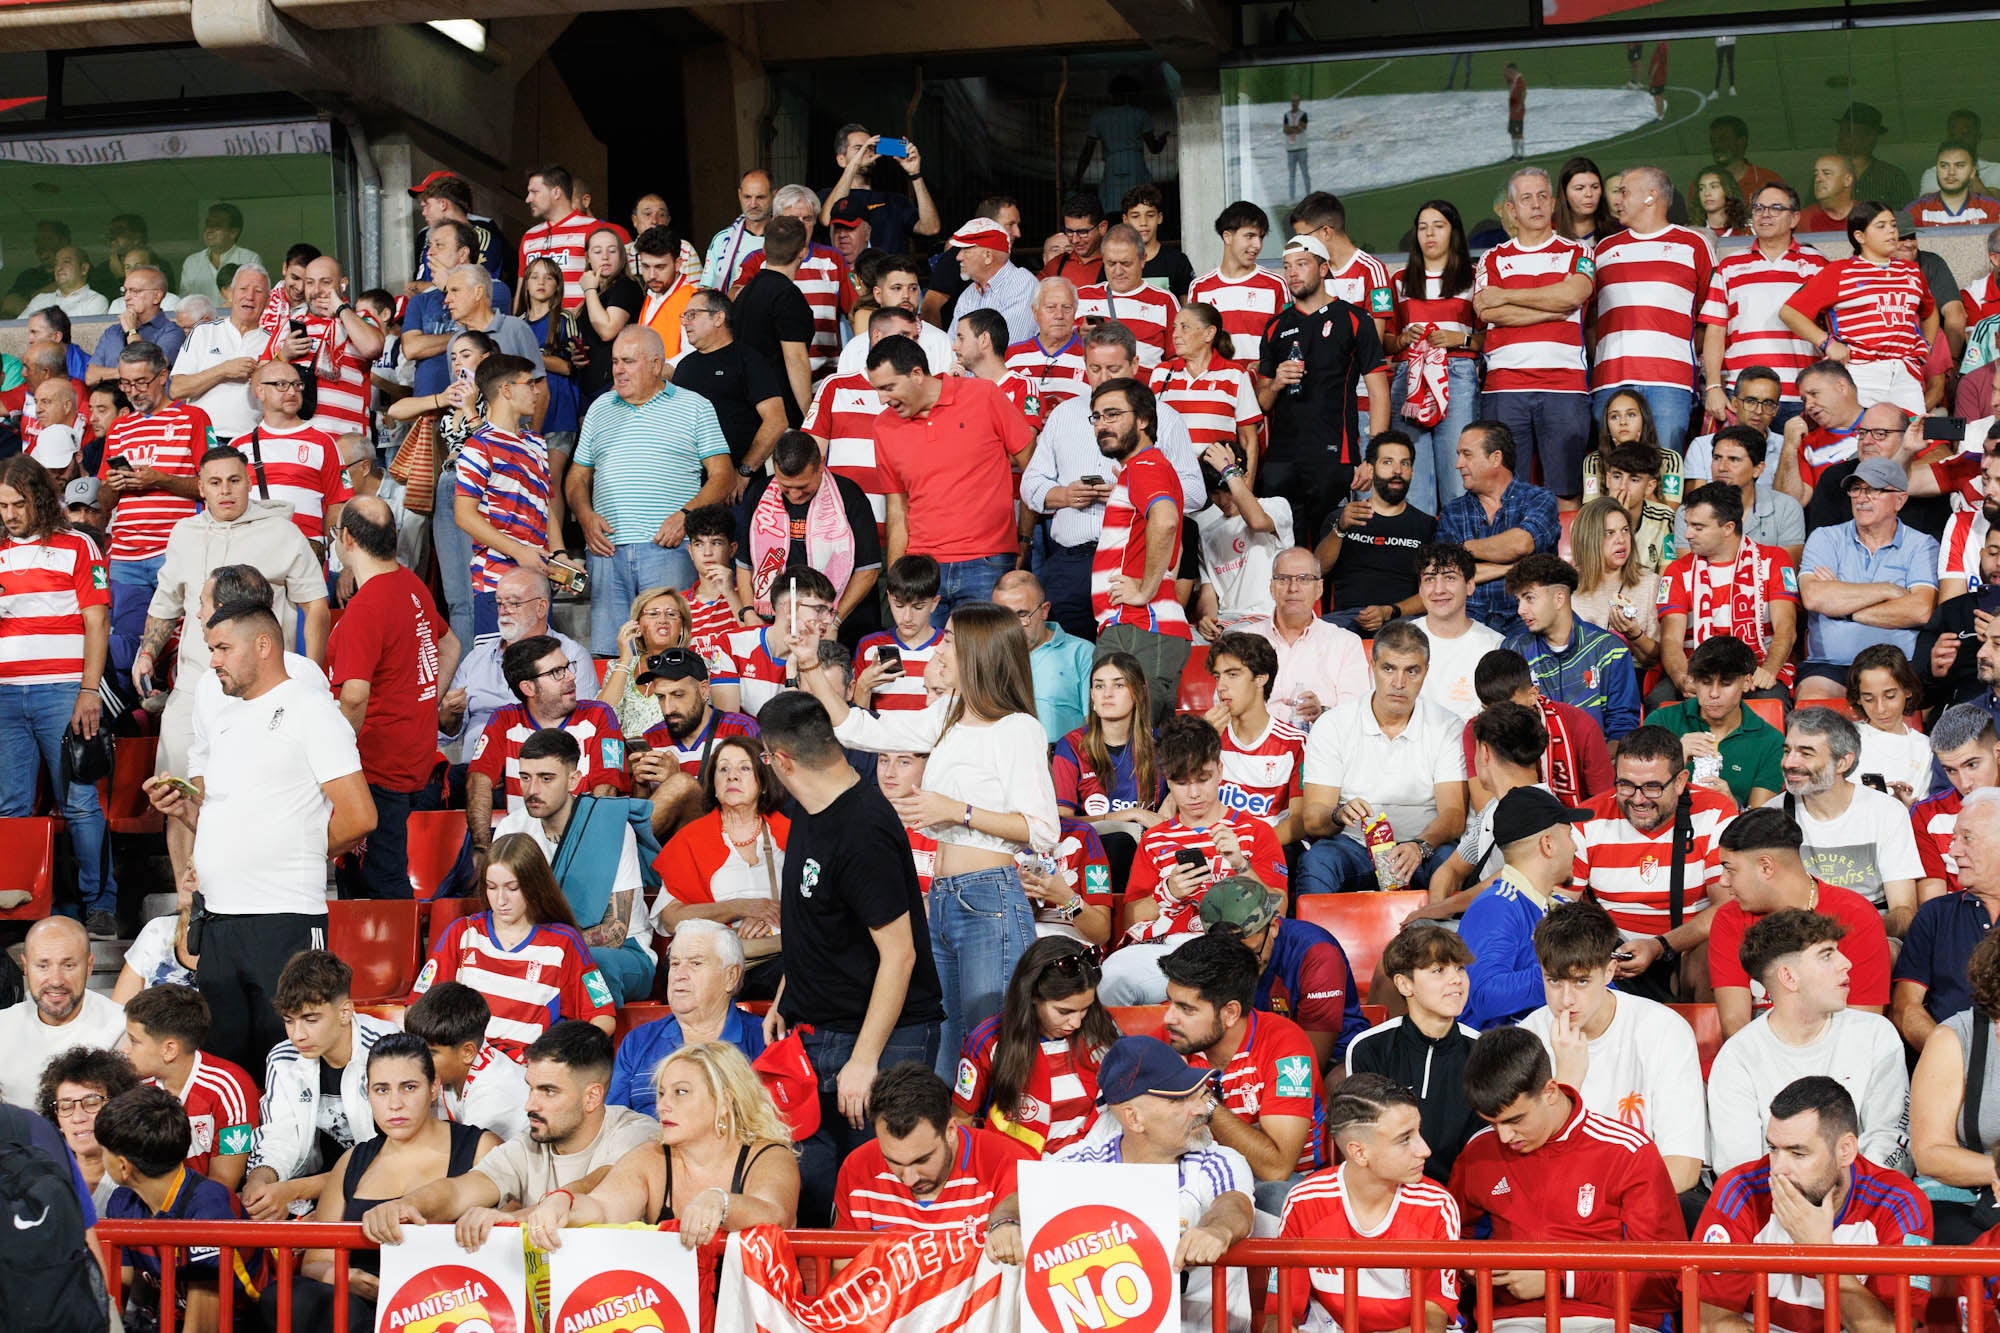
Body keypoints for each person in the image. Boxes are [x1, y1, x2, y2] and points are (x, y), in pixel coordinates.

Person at [801, 603, 1056, 1076]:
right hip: (941, 900)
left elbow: (1041, 829)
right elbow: (859, 730)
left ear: (979, 651)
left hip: (990, 896)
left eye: (952, 640)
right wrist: (812, 667)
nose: (940, 646)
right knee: (946, 1050)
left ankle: (992, 1146)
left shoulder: (1018, 728)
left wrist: (953, 810)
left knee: (992, 1045)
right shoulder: (948, 714)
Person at [143, 601, 372, 1072]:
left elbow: (360, 816)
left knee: (289, 1066)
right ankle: (238, 1151)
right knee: (226, 1070)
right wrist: (186, 810)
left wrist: (295, 853)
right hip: (221, 922)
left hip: (284, 918)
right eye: (211, 649)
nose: (214, 661)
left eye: (224, 647)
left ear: (263, 646)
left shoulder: (311, 710)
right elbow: (230, 820)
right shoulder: (225, 719)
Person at [752, 692, 945, 1225]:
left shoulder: (862, 830)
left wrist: (865, 1060)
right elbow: (817, 919)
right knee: (815, 1196)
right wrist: (786, 995)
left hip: (877, 1040)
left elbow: (900, 956)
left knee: (882, 1202)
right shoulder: (811, 808)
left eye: (766, 760)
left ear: (782, 760)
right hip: (818, 1034)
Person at [1003, 1036, 1254, 1333]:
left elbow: (1233, 1205)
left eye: (1198, 1094)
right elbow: (1017, 1201)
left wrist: (1217, 1230)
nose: (1201, 1109)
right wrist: (1004, 1225)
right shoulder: (1082, 1163)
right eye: (1180, 1099)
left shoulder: (1218, 1160)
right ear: (1133, 1118)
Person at [519, 1041, 798, 1299]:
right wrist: (562, 1204)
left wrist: (720, 1202)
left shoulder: (769, 1155)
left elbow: (774, 1214)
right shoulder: (651, 1157)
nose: (663, 1105)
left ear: (725, 1103)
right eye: (662, 1093)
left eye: (681, 1092)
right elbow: (602, 1207)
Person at [1449, 1025, 1686, 1325]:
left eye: (1515, 1120)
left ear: (1549, 1091)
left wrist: (1561, 1279)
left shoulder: (1628, 1152)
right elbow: (1452, 1240)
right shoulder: (1479, 1151)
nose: (1505, 1136)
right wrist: (1469, 1268)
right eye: (1493, 1123)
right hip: (1511, 1322)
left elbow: (1665, 1281)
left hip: (1613, 1320)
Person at [280, 1035, 498, 1333]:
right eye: (381, 1090)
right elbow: (315, 1262)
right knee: (287, 1296)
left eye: (409, 1087)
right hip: (358, 1311)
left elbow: (507, 1239)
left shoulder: (479, 1148)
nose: (395, 1104)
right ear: (367, 1093)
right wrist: (343, 1276)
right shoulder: (352, 1162)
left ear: (433, 1087)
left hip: (449, 1307)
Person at [1700, 1075, 1932, 1331]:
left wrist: (1819, 1253)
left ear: (1845, 1150)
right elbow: (1709, 1323)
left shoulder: (1899, 1204)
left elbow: (1895, 1330)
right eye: (1773, 1149)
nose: (1777, 1170)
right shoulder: (1740, 1191)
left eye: (1798, 1153)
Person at [1020, 320, 1204, 638]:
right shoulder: (1064, 415)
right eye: (1095, 368)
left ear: (1135, 364)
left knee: (1125, 671)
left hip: (1134, 562)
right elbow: (1030, 485)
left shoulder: (1165, 418)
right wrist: (1064, 495)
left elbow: (1195, 492)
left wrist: (1133, 493)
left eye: (1113, 368)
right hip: (1071, 562)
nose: (1103, 378)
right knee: (1070, 663)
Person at [0, 457, 117, 935]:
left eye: (17, 504)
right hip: (6, 698)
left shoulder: (77, 546)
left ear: (40, 499)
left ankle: (100, 906)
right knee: (10, 807)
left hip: (65, 693)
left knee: (81, 803)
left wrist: (88, 690)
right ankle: (18, 906)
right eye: (2, 505)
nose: (8, 514)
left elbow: (98, 621)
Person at [1517, 900, 1707, 1192]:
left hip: (1637, 1202)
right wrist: (1568, 1081)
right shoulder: (1528, 1036)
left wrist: (1599, 1207)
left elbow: (1682, 1168)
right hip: (1556, 1203)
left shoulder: (1664, 1030)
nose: (1565, 999)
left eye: (1581, 982)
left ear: (1609, 972)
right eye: (1554, 981)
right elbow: (1523, 1160)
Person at [567, 326, 734, 657]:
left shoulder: (694, 406)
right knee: (612, 655)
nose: (618, 369)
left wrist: (686, 517)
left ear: (657, 365)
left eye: (628, 361)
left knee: (671, 652)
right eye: (615, 361)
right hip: (606, 551)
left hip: (668, 547)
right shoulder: (600, 408)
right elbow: (576, 477)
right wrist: (585, 516)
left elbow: (723, 476)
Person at [1100, 716, 1289, 1005]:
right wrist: (1170, 891)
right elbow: (1132, 918)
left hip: (1228, 950)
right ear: (1168, 781)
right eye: (1181, 782)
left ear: (1220, 771)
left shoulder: (1256, 831)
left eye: (1202, 778)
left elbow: (1279, 905)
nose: (1193, 793)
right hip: (1164, 950)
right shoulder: (1154, 839)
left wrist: (1241, 866)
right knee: (1111, 976)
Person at [1707, 910, 1910, 1175]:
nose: (1846, 962)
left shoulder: (1876, 1034)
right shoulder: (1737, 1057)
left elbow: (1892, 1139)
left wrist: (1849, 1197)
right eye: (1827, 955)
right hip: (1774, 1206)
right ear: (1789, 977)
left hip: (1866, 1200)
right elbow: (1740, 1170)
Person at [326, 497, 457, 897]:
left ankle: (397, 961)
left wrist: (336, 757)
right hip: (410, 757)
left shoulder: (365, 606)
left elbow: (353, 696)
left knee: (379, 885)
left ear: (346, 539)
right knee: (378, 877)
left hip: (375, 766)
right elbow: (450, 644)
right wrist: (426, 702)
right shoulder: (411, 584)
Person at [867, 336, 1037, 624]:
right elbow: (897, 508)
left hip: (988, 561)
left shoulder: (984, 395)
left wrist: (1024, 539)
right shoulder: (883, 426)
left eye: (888, 387)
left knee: (982, 665)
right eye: (878, 390)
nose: (882, 399)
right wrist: (898, 580)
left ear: (917, 375)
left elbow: (1032, 469)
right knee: (930, 663)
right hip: (922, 571)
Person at [1280, 1074, 1463, 1333]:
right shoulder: (1304, 1201)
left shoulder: (1437, 1205)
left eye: (1418, 1132)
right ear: (1359, 1152)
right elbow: (1280, 1314)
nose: (1424, 1150)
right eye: (1404, 1139)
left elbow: (1431, 1323)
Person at [1296, 621, 1466, 893]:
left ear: (1426, 673)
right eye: (1389, 669)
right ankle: (1316, 937)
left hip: (1422, 847)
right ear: (1372, 667)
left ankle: (1442, 936)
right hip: (1354, 846)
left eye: (1412, 671)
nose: (1399, 683)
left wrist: (1420, 846)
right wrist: (1338, 814)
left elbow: (1454, 815)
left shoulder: (1448, 726)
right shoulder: (1333, 724)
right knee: (1317, 862)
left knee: (1452, 864)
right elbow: (1313, 820)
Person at [492, 729, 655, 1004]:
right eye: (525, 777)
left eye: (546, 778)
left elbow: (615, 931)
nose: (532, 790)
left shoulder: (610, 827)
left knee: (595, 962)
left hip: (624, 954)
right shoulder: (512, 828)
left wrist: (544, 946)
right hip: (536, 948)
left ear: (573, 780)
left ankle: (594, 1043)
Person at [413, 832, 617, 1049]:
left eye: (512, 888)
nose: (500, 900)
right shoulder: (463, 933)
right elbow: (417, 1010)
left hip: (530, 1074)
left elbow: (603, 1018)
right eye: (491, 887)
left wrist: (559, 1058)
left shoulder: (563, 943)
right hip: (466, 1071)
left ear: (534, 885)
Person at [240, 951, 398, 1221]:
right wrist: (261, 1182)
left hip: (389, 1191)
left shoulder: (388, 1049)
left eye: (310, 1020)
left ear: (345, 1012)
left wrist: (293, 1191)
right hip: (318, 1188)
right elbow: (278, 1138)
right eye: (289, 1021)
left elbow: (394, 1157)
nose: (298, 1035)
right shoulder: (283, 1058)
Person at [1255, 233, 1389, 549]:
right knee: (1281, 553)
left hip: (1333, 456)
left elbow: (1379, 392)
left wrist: (1373, 456)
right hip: (1282, 460)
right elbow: (1262, 402)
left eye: (1301, 264)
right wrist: (1276, 382)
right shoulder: (1275, 327)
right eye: (1287, 266)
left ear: (1323, 269)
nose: (1293, 273)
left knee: (1333, 549)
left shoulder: (1355, 320)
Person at [1711, 808, 1892, 1039]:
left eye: (1730, 869)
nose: (1723, 882)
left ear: (1766, 866)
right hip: (1760, 1061)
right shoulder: (1729, 918)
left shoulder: (1856, 916)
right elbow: (1734, 1025)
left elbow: (1863, 1027)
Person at [1472, 168, 1596, 505]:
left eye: (1543, 196)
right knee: (1506, 492)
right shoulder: (1492, 258)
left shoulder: (1579, 252)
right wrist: (1553, 306)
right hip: (1506, 387)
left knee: (1565, 490)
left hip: (1564, 387)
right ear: (1512, 209)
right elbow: (1488, 312)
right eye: (1526, 198)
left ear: (1553, 203)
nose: (1536, 205)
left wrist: (1508, 295)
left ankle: (1562, 559)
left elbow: (1575, 295)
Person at [97, 1087, 263, 1330]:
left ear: (123, 1167)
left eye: (104, 1151)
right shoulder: (122, 1202)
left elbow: (203, 1327)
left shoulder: (209, 1208)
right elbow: (116, 1294)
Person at [99, 339, 211, 673]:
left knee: (187, 643)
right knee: (128, 647)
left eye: (140, 382)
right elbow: (104, 502)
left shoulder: (193, 418)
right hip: (126, 556)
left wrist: (159, 480)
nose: (132, 391)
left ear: (163, 376)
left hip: (175, 549)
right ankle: (137, 718)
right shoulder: (119, 427)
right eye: (126, 383)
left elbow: (210, 484)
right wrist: (111, 486)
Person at [1086, 376, 1193, 720]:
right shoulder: (1140, 468)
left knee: (1133, 745)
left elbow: (1166, 520)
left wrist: (1144, 590)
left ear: (1144, 419)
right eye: (1097, 417)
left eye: (1113, 414)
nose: (1103, 425)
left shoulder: (1145, 466)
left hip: (1140, 626)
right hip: (1136, 627)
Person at [1589, 167, 1714, 456]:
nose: (1616, 200)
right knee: (1614, 469)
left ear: (1650, 196)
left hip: (1670, 381)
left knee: (1666, 465)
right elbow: (1590, 319)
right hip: (1611, 380)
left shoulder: (1694, 245)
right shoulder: (1603, 250)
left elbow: (1709, 314)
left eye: (1624, 192)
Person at [951, 938, 1115, 1157]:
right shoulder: (988, 1041)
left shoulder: (1099, 1025)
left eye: (1085, 1008)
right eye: (1064, 1012)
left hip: (1100, 1152)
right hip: (1020, 1163)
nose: (1076, 1023)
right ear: (1033, 997)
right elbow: (963, 1119)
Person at [650, 736, 788, 994]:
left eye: (744, 768)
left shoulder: (792, 835)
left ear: (764, 782)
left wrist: (773, 920)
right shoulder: (690, 840)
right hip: (713, 959)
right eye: (723, 769)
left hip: (777, 956)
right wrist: (736, 908)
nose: (732, 776)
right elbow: (670, 918)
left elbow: (820, 905)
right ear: (713, 784)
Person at [1770, 706, 1924, 935]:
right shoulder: (1772, 816)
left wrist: (1852, 934)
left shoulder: (1885, 811)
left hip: (1870, 932)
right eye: (1787, 751)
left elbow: (1903, 912)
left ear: (1843, 762)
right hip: (1798, 935)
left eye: (1806, 753)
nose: (1789, 762)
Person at [1345, 924, 1481, 1181]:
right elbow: (1369, 1140)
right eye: (1439, 970)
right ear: (1405, 984)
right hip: (1395, 1191)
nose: (1456, 979)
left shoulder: (1483, 1050)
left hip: (1467, 1197)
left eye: (1460, 968)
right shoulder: (1369, 1047)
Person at [1795, 457, 1939, 701]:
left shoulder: (1922, 545)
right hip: (1831, 666)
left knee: (1889, 704)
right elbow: (1814, 597)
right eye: (1856, 489)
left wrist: (1844, 610)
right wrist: (1886, 590)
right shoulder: (1825, 538)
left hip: (1897, 667)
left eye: (1873, 490)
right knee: (1813, 704)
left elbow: (1920, 610)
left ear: (1900, 500)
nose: (1861, 498)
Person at [1781, 202, 1938, 415]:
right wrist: (1827, 343)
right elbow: (1790, 312)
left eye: (1893, 225)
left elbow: (1929, 311)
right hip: (1860, 372)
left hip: (1905, 372)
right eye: (1880, 226)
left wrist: (1925, 346)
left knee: (1912, 439)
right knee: (1863, 440)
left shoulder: (1911, 271)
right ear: (1860, 236)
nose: (1891, 231)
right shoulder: (1839, 271)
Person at [1201, 875, 1367, 1069]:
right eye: (1227, 956)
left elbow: (1311, 1061)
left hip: (1334, 1056)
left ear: (1273, 927)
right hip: (1254, 1052)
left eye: (1251, 954)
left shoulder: (1317, 954)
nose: (1240, 965)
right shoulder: (1211, 954)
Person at [608, 921, 768, 1118]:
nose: (679, 975)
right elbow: (615, 1123)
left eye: (696, 963)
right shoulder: (638, 1041)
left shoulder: (765, 1040)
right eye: (675, 964)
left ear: (731, 977)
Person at [1658, 480, 1800, 701]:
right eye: (1687, 525)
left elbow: (1786, 628)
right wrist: (1681, 678)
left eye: (1698, 527)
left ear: (1728, 528)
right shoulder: (1677, 571)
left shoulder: (1773, 560)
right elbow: (1670, 639)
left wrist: (1770, 670)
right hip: (1697, 670)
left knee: (1771, 698)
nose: (1687, 535)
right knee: (1660, 699)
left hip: (1756, 668)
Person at [1460, 786, 1589, 1030]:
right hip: (1498, 1058)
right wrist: (1569, 972)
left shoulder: (1558, 907)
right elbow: (1486, 996)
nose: (1575, 848)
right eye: (1570, 836)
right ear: (1548, 845)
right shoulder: (1497, 906)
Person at [436, 567, 591, 763]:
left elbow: (584, 724)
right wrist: (450, 714)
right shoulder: (477, 657)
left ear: (541, 608)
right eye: (499, 603)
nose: (503, 611)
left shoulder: (571, 655)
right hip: (476, 768)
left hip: (540, 768)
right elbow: (447, 733)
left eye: (514, 603)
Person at [1385, 199, 1481, 514]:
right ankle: (1418, 555)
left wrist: (1461, 339)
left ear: (1453, 232)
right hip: (1408, 380)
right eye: (1423, 227)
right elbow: (1384, 341)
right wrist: (1401, 339)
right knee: (1412, 476)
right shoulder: (1398, 280)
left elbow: (1489, 338)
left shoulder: (1473, 276)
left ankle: (1459, 554)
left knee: (1458, 472)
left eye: (1438, 226)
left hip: (1457, 375)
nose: (1430, 234)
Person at [120, 983, 257, 1188]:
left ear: (169, 1050)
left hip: (205, 1210)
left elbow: (224, 1183)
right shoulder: (134, 1085)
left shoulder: (231, 1088)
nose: (124, 1049)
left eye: (134, 1041)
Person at [737, 430, 881, 624]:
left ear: (820, 465)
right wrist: (748, 613)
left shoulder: (849, 496)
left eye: (803, 486)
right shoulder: (758, 493)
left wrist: (834, 621)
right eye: (786, 487)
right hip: (776, 622)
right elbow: (745, 564)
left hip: (842, 623)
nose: (795, 495)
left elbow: (868, 570)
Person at [1895, 789, 2000, 1051]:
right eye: (1954, 839)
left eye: (1967, 838)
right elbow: (1906, 1008)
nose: (1953, 851)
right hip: (1949, 1072)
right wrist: (1952, 1058)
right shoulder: (1935, 915)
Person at [1437, 421, 1561, 638]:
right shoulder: (1452, 512)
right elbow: (1449, 574)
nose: (1458, 464)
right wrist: (1510, 567)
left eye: (1467, 454)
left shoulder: (1539, 499)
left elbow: (1520, 544)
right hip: (1469, 621)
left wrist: (1463, 549)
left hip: (1527, 618)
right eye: (1459, 454)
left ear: (1495, 458)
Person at [1502, 553, 1642, 742]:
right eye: (1519, 600)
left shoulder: (1609, 650)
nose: (1520, 610)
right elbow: (1507, 719)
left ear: (1559, 599)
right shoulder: (1514, 651)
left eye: (1529, 598)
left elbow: (1623, 727)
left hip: (1598, 763)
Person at [1645, 636, 1785, 808]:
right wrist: (1675, 757)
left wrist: (1731, 804)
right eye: (1705, 683)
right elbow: (1639, 796)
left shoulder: (1770, 741)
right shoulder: (1661, 721)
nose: (1713, 693)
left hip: (1731, 832)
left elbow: (1760, 821)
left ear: (1747, 682)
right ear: (1693, 681)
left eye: (1725, 684)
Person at [0, 917, 124, 1108]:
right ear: (25, 966)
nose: (56, 980)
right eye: (43, 966)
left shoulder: (121, 1028)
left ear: (89, 966)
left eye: (68, 965)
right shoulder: (3, 1026)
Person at [1319, 430, 1435, 634]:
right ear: (1371, 470)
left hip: (1401, 620)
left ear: (1412, 472)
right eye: (1388, 462)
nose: (1397, 470)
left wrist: (1390, 611)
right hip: (1345, 620)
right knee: (1314, 635)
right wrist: (1340, 529)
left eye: (1405, 463)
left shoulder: (1426, 525)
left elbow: (1434, 591)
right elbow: (1316, 570)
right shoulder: (1342, 517)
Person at [1243, 546, 1368, 729]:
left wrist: (1322, 714)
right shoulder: (1244, 640)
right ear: (1271, 588)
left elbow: (1355, 713)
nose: (1293, 588)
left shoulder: (1346, 643)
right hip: (1255, 748)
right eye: (1283, 579)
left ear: (1319, 589)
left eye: (1304, 579)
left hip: (1320, 746)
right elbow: (1224, 703)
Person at [671, 290, 787, 483]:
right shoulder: (684, 367)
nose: (685, 322)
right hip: (689, 483)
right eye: (684, 316)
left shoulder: (748, 360)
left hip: (738, 486)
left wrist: (744, 471)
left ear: (718, 317)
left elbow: (776, 420)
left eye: (692, 315)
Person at [1203, 632, 1308, 839]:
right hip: (1210, 845)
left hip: (1270, 848)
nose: (1221, 686)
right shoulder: (1208, 734)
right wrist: (1202, 743)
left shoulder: (1294, 743)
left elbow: (1299, 821)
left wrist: (1251, 847)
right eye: (1217, 676)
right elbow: (1184, 804)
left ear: (1261, 678)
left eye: (1232, 674)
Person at [402, 982, 528, 1144]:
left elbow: (464, 1159)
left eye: (431, 1053)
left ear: (467, 1052)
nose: (418, 1060)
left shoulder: (493, 1094)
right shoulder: (451, 1069)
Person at [1053, 652, 1164, 832]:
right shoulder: (1071, 746)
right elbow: (1062, 822)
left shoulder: (1161, 745)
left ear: (1140, 693)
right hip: (1091, 849)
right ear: (1091, 695)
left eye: (1119, 685)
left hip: (1147, 846)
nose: (1107, 694)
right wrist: (1132, 814)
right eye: (1099, 686)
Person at [992, 570, 1093, 744]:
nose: (1013, 626)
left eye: (1022, 614)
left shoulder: (1081, 652)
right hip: (1004, 758)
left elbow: (1094, 724)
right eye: (1004, 617)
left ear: (1044, 610)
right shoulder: (988, 655)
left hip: (1063, 760)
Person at [730, 216, 814, 425]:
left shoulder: (744, 294)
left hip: (748, 408)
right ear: (803, 252)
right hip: (780, 416)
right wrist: (811, 419)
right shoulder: (788, 296)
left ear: (764, 251)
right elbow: (795, 359)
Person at [1912, 704, 2000, 899]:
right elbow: (1934, 906)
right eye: (1951, 770)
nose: (1965, 783)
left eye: (1972, 765)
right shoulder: (1927, 815)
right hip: (1960, 924)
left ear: (1997, 752)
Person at [38, 1046, 140, 1211]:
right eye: (65, 1106)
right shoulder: (44, 1180)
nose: (78, 1117)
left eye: (92, 1103)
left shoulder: (141, 1181)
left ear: (119, 1107)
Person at [1190, 200, 1288, 367]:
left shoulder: (1276, 284)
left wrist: (1265, 366)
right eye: (1250, 236)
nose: (1257, 245)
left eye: (1261, 237)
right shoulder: (1200, 287)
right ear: (1227, 236)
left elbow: (1287, 339)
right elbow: (1193, 343)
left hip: (1262, 388)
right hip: (1217, 388)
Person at [1566, 496, 1661, 668]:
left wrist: (1634, 634)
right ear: (1589, 539)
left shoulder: (1650, 584)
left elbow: (1654, 659)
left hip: (1631, 679)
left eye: (1625, 530)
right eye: (1609, 533)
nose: (1621, 539)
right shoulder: (1567, 586)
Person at [1075, 224, 1179, 368]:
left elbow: (1177, 357)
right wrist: (1077, 337)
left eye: (1125, 263)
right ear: (1103, 260)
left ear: (1143, 260)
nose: (1118, 271)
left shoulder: (1164, 301)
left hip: (1147, 389)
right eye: (1111, 263)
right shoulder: (1081, 297)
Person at [1692, 166, 1752, 236]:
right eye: (1701, 188)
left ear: (1727, 190)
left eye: (1714, 187)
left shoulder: (1750, 229)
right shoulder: (1691, 232)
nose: (1707, 193)